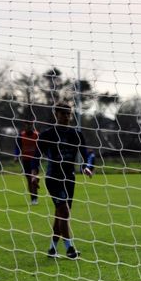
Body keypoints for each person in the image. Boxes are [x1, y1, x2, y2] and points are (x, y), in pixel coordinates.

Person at [39, 102, 95, 259]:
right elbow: (36, 155)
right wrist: (33, 173)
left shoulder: (76, 134)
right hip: (53, 178)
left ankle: (52, 249)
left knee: (61, 214)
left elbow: (85, 154)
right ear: (56, 114)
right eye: (63, 113)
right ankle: (70, 249)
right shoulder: (47, 134)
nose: (66, 116)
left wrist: (86, 166)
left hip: (69, 178)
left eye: (68, 113)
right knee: (63, 211)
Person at [15, 119, 42, 204]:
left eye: (30, 125)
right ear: (24, 126)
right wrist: (16, 156)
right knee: (29, 179)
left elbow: (41, 146)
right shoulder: (21, 136)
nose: (29, 126)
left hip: (35, 160)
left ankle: (35, 198)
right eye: (27, 125)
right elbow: (17, 147)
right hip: (25, 160)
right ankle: (33, 198)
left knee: (33, 178)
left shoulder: (37, 135)